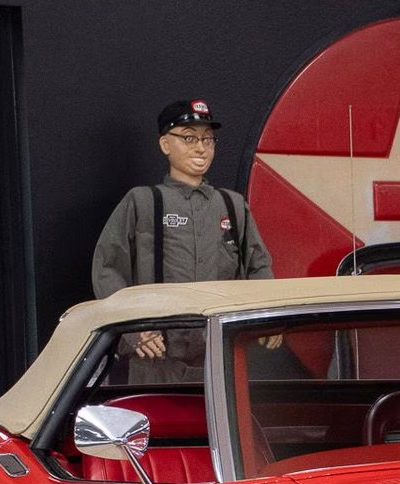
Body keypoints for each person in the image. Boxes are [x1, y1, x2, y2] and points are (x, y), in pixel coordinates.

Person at [91, 99, 275, 380]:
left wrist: (268, 318)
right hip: (156, 356)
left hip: (220, 353)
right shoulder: (143, 202)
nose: (201, 148)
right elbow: (107, 268)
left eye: (208, 139)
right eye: (189, 138)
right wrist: (134, 328)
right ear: (166, 145)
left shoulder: (231, 206)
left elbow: (258, 266)